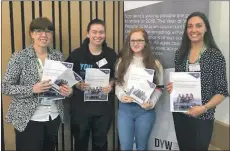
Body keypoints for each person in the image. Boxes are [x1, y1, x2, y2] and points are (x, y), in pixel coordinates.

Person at [1, 17, 73, 151]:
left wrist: (68, 91)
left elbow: (64, 83)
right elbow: (5, 87)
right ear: (32, 34)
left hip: (53, 115)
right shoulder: (19, 57)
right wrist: (32, 89)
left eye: (48, 31)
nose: (43, 35)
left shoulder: (58, 56)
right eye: (39, 31)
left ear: (51, 35)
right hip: (28, 118)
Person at [166, 12, 229, 151]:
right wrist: (173, 87)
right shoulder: (180, 53)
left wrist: (204, 108)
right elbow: (180, 81)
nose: (193, 30)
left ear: (206, 28)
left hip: (203, 116)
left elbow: (222, 91)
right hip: (180, 114)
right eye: (190, 26)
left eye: (198, 26)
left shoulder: (215, 56)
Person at [66, 19, 117, 151]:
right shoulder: (77, 54)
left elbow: (117, 77)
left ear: (104, 34)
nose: (98, 35)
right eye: (94, 32)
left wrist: (111, 85)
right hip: (80, 110)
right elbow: (65, 74)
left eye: (101, 32)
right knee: (80, 144)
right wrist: (77, 84)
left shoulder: (111, 55)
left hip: (103, 110)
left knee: (100, 144)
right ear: (88, 34)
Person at [115, 28, 164, 150]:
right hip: (125, 110)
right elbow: (118, 83)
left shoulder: (155, 64)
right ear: (129, 42)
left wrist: (151, 103)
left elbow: (159, 88)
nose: (136, 43)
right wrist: (121, 95)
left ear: (146, 42)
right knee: (125, 147)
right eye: (133, 41)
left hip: (145, 111)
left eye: (139, 40)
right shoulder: (122, 61)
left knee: (141, 147)